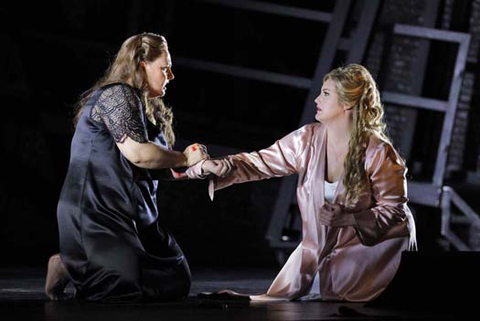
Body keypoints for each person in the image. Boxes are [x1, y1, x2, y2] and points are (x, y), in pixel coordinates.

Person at [188, 64, 417, 302]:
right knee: (281, 298)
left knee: (340, 298)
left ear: (347, 103)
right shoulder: (307, 139)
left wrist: (350, 218)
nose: (318, 98)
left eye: (326, 93)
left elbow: (395, 211)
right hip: (319, 248)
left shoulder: (378, 151)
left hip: (372, 253)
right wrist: (221, 165)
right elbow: (261, 162)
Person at [45, 32, 215, 302]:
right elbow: (138, 154)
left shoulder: (144, 106)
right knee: (123, 286)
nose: (170, 75)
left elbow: (154, 166)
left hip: (134, 213)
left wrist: (192, 166)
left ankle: (81, 262)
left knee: (175, 280)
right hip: (96, 210)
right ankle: (69, 262)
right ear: (141, 64)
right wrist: (183, 158)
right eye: (164, 68)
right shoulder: (116, 95)